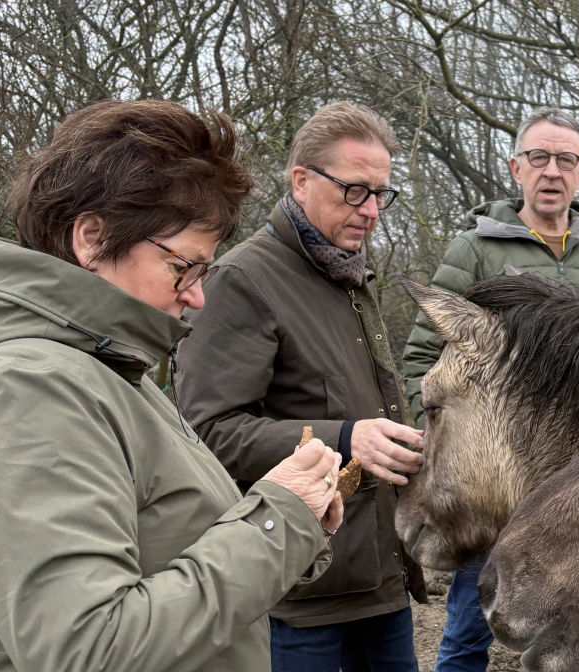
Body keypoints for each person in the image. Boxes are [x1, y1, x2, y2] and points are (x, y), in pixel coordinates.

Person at [0, 99, 344, 672]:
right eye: (183, 267)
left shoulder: (104, 374)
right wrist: (277, 517)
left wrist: (295, 520)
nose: (197, 296)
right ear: (92, 238)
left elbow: (168, 554)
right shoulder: (22, 391)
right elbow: (92, 649)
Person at [175, 101, 427, 672]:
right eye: (355, 191)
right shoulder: (241, 280)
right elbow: (208, 433)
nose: (372, 211)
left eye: (382, 194)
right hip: (298, 591)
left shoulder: (348, 273)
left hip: (379, 575)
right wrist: (346, 439)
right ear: (301, 181)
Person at [401, 106, 579, 672]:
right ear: (516, 168)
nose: (551, 171)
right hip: (498, 481)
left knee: (578, 639)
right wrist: (442, 442)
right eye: (539, 157)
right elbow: (422, 355)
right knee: (467, 628)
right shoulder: (475, 250)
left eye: (566, 160)